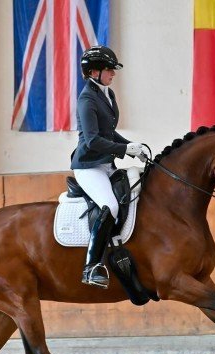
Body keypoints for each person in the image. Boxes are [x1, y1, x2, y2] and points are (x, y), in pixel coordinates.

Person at [71, 45, 145, 288]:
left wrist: (133, 146)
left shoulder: (107, 94)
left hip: (106, 163)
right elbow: (92, 140)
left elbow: (110, 133)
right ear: (94, 72)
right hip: (88, 166)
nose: (113, 74)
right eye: (109, 70)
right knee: (110, 205)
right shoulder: (86, 99)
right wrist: (125, 150)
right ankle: (90, 267)